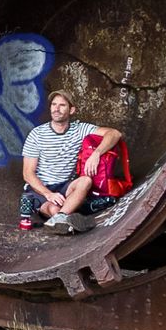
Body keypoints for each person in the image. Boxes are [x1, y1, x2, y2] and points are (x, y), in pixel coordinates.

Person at [20, 90, 126, 232]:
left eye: (62, 105)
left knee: (86, 181)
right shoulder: (37, 134)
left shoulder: (79, 129)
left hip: (65, 187)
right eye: (54, 104)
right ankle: (64, 217)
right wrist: (48, 194)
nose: (56, 109)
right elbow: (28, 174)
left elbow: (114, 133)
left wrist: (97, 153)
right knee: (53, 207)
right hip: (40, 189)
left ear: (72, 110)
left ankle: (61, 218)